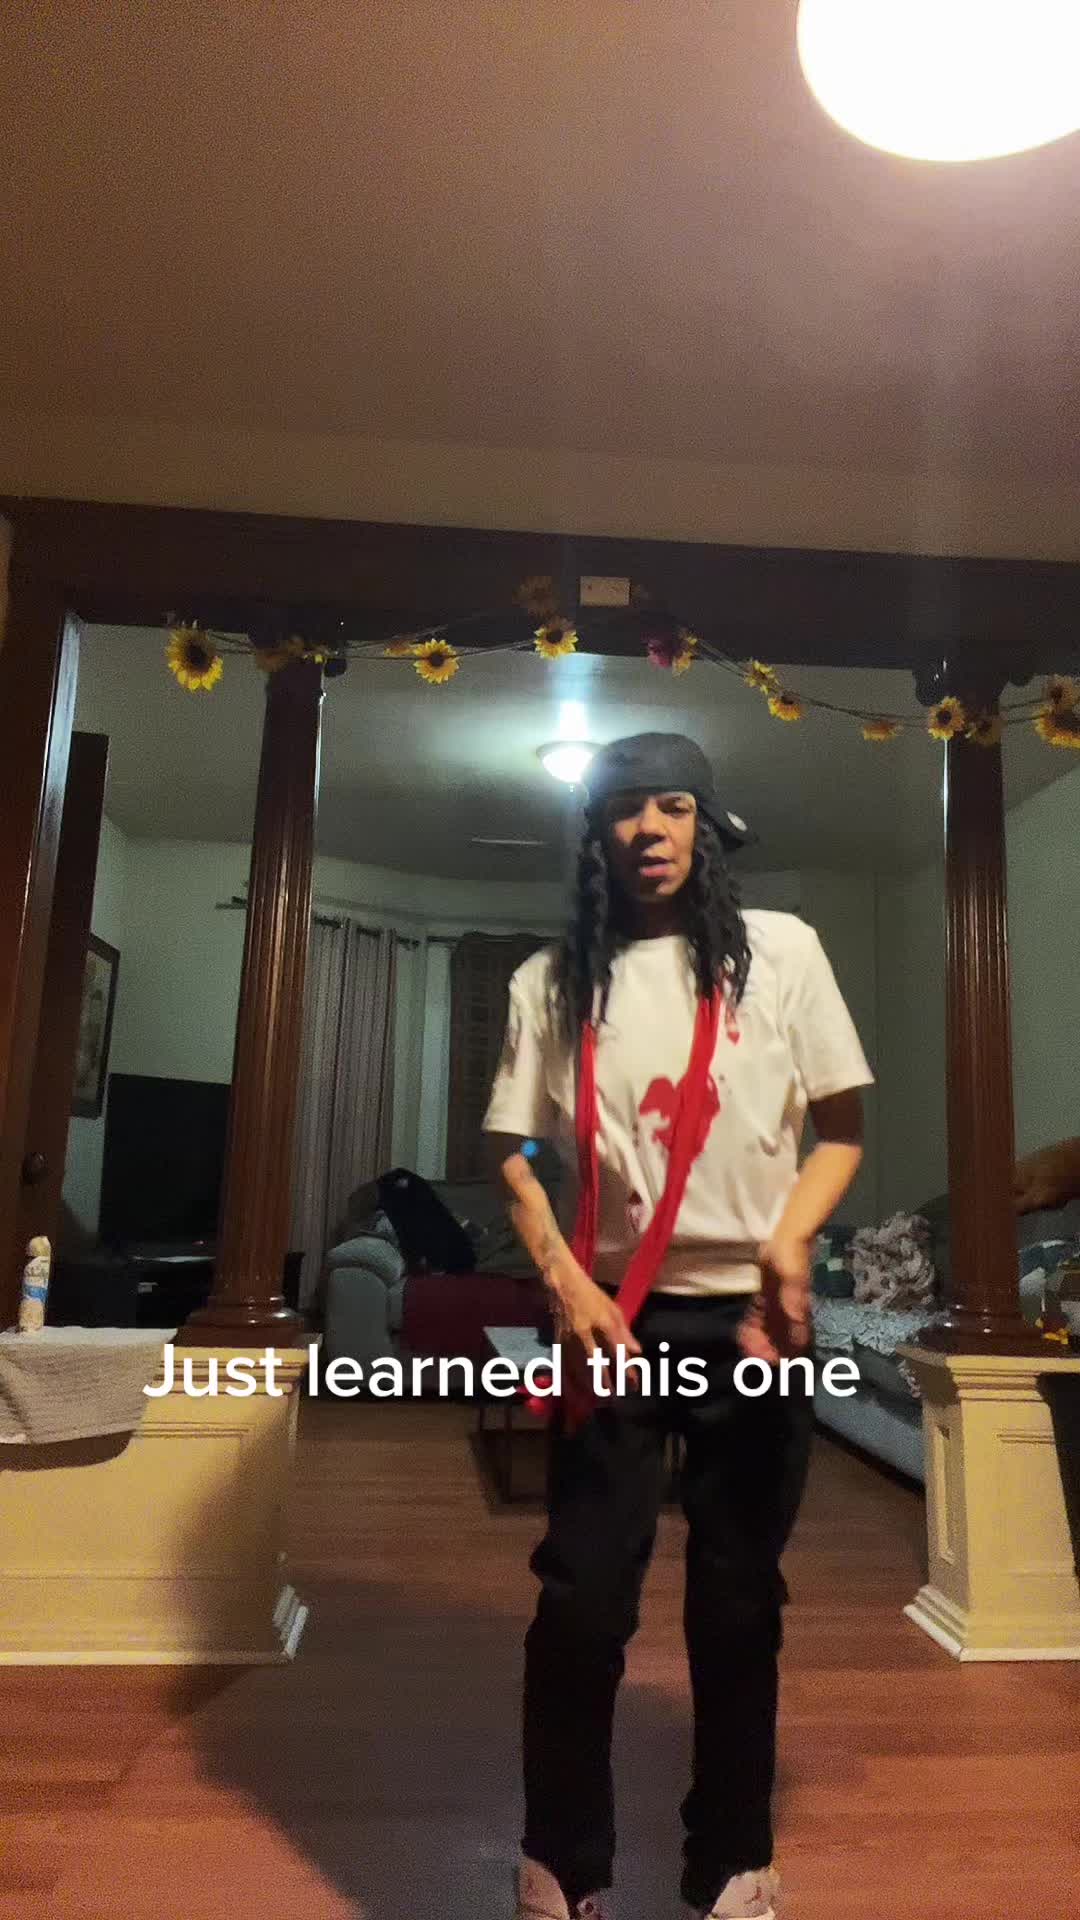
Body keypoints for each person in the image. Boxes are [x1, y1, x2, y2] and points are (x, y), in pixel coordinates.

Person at [484, 733, 874, 1920]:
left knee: (738, 1599)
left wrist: (789, 1245)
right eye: (624, 809)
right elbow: (513, 1156)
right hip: (613, 1322)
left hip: (753, 1325)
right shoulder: (554, 980)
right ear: (597, 834)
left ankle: (732, 1864)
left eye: (673, 805)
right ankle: (562, 1863)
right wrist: (565, 1280)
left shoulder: (784, 953)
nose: (649, 827)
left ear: (707, 826)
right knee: (581, 1598)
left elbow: (843, 1130)